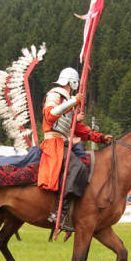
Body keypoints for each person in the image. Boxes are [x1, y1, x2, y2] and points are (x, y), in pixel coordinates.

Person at [38, 67, 112, 232]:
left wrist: (99, 137)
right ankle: (60, 213)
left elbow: (77, 128)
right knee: (77, 167)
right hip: (54, 143)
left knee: (85, 165)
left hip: (64, 143)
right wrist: (73, 102)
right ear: (72, 81)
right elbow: (50, 116)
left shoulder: (67, 99)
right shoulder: (54, 94)